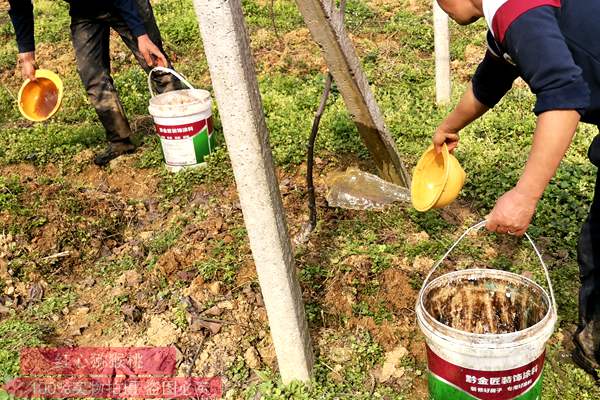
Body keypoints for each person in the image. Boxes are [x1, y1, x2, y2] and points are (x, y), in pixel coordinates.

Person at [431, 0, 600, 377]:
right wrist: (450, 125)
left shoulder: (515, 5)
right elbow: (493, 76)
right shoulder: (509, 13)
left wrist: (524, 196)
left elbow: (563, 94)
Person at [8, 0, 181, 165]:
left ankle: (183, 125)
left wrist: (141, 35)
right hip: (85, 11)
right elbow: (19, 6)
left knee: (154, 63)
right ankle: (120, 140)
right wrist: (26, 55)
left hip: (128, 4)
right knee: (92, 75)